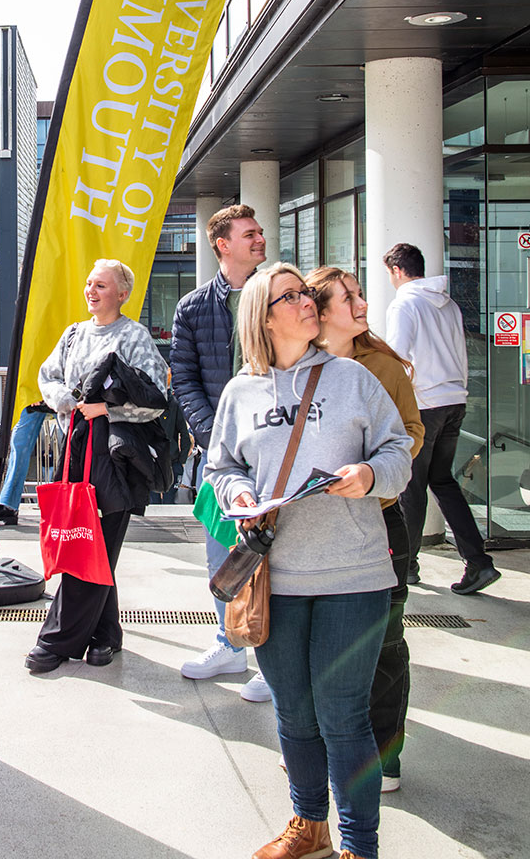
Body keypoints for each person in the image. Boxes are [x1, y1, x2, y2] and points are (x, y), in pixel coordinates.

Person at [206, 262, 412, 859]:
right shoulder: (240, 391)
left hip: (355, 575)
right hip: (278, 578)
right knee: (294, 713)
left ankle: (358, 845)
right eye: (289, 296)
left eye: (304, 293)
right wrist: (237, 494)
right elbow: (221, 467)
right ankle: (309, 824)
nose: (306, 302)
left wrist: (371, 473)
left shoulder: (352, 378)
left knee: (344, 715)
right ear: (263, 320)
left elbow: (400, 447)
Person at [307, 265, 425, 794]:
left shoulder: (383, 366)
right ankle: (318, 750)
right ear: (320, 311)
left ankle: (383, 754)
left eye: (360, 294)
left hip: (380, 520)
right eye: (348, 297)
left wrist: (375, 473)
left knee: (384, 644)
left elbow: (413, 432)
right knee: (316, 645)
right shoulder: (296, 365)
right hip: (312, 527)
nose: (361, 304)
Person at [24, 259, 168, 673]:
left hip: (115, 458)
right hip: (75, 451)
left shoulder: (135, 337)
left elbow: (156, 398)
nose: (91, 291)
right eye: (89, 283)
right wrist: (63, 400)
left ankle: (56, 641)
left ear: (122, 294)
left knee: (92, 543)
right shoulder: (72, 335)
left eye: (101, 285)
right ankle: (106, 635)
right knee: (85, 540)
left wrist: (106, 408)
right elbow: (47, 377)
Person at [170, 203, 271, 701]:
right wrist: (214, 437)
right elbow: (184, 380)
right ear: (222, 245)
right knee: (223, 558)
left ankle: (274, 665)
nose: (259, 239)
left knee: (276, 560)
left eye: (259, 233)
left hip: (276, 450)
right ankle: (229, 645)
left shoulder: (281, 296)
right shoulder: (192, 307)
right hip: (218, 455)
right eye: (248, 234)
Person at [383, 243, 501, 595]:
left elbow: (397, 358)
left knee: (411, 486)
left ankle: (407, 565)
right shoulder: (447, 304)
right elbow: (463, 351)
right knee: (442, 481)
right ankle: (478, 561)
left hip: (424, 404)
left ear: (397, 271)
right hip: (454, 400)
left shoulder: (405, 302)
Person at [149, 375, 191, 504]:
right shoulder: (172, 404)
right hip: (165, 457)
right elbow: (184, 434)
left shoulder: (170, 404)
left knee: (159, 499)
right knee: (165, 499)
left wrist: (182, 459)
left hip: (164, 457)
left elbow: (184, 434)